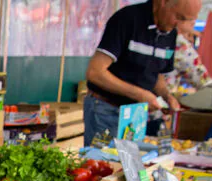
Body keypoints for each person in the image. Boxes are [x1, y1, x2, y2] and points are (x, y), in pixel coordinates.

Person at [84, 0, 201, 146]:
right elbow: (95, 72)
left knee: (130, 166)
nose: (179, 25)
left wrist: (167, 96)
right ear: (162, 2)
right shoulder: (127, 19)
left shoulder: (171, 33)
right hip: (106, 110)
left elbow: (155, 73)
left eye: (187, 20)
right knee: (103, 164)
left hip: (135, 115)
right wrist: (140, 94)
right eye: (179, 17)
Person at [164, 19, 212, 93]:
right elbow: (201, 79)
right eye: (190, 18)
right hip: (160, 99)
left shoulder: (160, 35)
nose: (193, 22)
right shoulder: (179, 43)